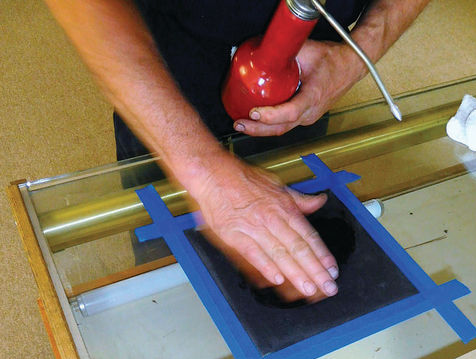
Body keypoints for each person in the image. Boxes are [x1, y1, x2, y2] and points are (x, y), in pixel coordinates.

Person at [44, 0, 430, 300]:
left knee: (289, 248)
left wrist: (353, 59)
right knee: (170, 278)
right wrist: (199, 169)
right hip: (167, 70)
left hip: (305, 76)